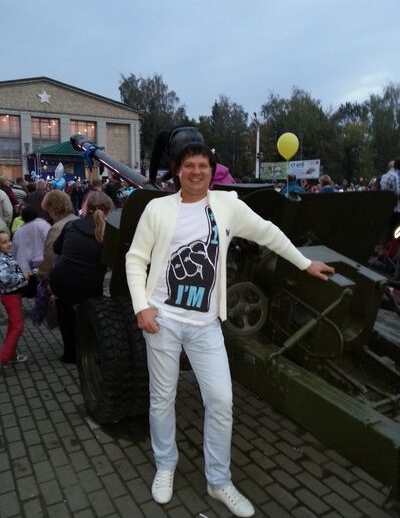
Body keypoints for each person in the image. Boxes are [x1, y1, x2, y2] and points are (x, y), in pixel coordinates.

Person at [125, 141, 334, 517]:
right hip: (163, 320)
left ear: (212, 171)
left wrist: (304, 263)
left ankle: (219, 481)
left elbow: (267, 233)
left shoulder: (227, 206)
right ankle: (165, 465)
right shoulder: (158, 209)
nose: (196, 171)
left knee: (221, 401)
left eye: (203, 165)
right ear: (178, 171)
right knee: (162, 398)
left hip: (205, 325)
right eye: (189, 165)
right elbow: (135, 258)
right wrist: (142, 306)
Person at [49, 191, 114, 363]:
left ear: (86, 207)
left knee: (65, 315)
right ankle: (89, 350)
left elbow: (56, 248)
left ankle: (69, 354)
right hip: (89, 282)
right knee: (89, 315)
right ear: (109, 210)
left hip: (61, 279)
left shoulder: (72, 225)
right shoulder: (110, 233)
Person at [0, 231, 30, 371]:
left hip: (14, 295)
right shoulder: (1, 259)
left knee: (13, 325)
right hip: (10, 296)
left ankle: (11, 354)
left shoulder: (6, 255)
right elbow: (4, 278)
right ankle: (3, 358)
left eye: (9, 240)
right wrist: (22, 277)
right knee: (18, 327)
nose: (9, 244)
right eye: (4, 242)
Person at [12, 205, 51, 274]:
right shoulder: (43, 224)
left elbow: (15, 250)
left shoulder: (18, 232)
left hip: (26, 267)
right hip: (45, 263)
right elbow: (50, 241)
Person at [380, 159, 400, 242]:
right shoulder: (395, 176)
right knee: (396, 234)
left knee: (389, 232)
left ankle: (387, 248)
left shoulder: (384, 176)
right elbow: (398, 193)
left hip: (386, 208)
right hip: (396, 209)